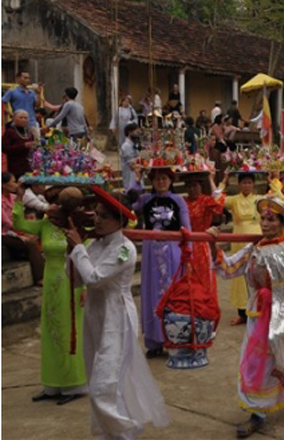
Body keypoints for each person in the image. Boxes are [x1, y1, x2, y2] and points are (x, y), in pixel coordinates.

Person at [64, 187, 170, 439]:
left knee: (105, 386)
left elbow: (95, 278)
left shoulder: (125, 249)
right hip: (94, 315)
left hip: (117, 317)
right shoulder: (93, 244)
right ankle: (108, 434)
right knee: (96, 380)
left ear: (119, 221)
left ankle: (125, 431)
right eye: (97, 214)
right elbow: (76, 278)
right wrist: (73, 249)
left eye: (104, 216)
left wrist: (78, 249)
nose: (97, 220)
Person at [207, 196, 284, 438]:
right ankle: (258, 412)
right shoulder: (254, 248)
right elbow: (229, 267)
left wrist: (282, 326)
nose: (265, 224)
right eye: (263, 219)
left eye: (271, 219)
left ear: (282, 223)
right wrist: (214, 245)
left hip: (279, 319)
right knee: (257, 364)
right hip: (257, 316)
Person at [14, 186, 86, 404]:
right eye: (51, 203)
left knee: (69, 332)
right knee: (50, 331)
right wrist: (18, 197)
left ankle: (73, 383)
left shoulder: (76, 228)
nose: (53, 209)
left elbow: (85, 257)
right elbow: (18, 224)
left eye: (58, 204)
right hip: (50, 284)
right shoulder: (44, 226)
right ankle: (52, 385)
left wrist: (84, 288)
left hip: (70, 283)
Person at [129, 167, 190, 358]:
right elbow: (130, 203)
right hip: (151, 252)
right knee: (151, 293)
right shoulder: (146, 199)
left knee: (172, 294)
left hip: (172, 250)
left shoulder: (178, 200)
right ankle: (154, 342)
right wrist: (136, 180)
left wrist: (189, 255)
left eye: (164, 178)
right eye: (157, 179)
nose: (161, 182)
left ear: (170, 181)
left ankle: (175, 339)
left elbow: (187, 229)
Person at [222, 172, 264, 326]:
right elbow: (216, 200)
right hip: (239, 242)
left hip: (257, 241)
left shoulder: (259, 200)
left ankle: (259, 310)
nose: (246, 185)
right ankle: (242, 313)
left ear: (253, 185)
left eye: (249, 183)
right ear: (239, 185)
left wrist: (274, 179)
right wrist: (223, 182)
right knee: (240, 278)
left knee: (257, 275)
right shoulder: (234, 200)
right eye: (244, 183)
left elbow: (280, 198)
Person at [184, 170, 225, 296]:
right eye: (189, 186)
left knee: (204, 278)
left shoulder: (205, 200)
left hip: (202, 246)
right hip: (185, 245)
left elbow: (219, 201)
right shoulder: (183, 202)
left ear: (201, 186)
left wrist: (210, 179)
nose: (192, 189)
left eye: (195, 186)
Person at [2, 172, 45, 285]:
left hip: (15, 230)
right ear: (4, 185)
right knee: (30, 244)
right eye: (13, 182)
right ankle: (39, 277)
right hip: (4, 233)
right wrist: (20, 233)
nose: (16, 185)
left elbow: (22, 213)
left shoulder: (14, 197)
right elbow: (6, 222)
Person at [2, 71, 39, 138]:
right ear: (18, 79)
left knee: (35, 142)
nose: (27, 80)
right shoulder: (12, 91)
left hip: (31, 122)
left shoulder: (32, 93)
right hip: (18, 123)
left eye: (28, 78)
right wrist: (11, 114)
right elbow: (2, 104)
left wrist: (38, 94)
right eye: (25, 78)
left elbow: (37, 105)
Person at [3, 110, 35, 179]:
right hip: (14, 165)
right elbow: (4, 148)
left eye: (25, 118)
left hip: (27, 165)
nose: (23, 120)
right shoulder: (10, 132)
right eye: (21, 117)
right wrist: (23, 146)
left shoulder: (29, 132)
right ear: (14, 119)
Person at [120, 124, 141, 191]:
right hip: (130, 178)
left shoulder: (134, 144)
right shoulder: (126, 146)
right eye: (136, 132)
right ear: (130, 132)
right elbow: (132, 165)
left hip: (137, 177)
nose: (137, 134)